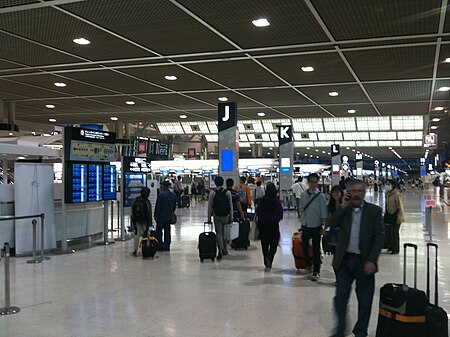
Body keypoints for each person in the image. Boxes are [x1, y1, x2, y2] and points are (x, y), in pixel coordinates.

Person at [329, 179, 385, 337]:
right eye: (353, 191)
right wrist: (342, 206)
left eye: (360, 191)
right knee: (340, 298)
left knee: (365, 301)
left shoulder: (374, 211)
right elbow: (332, 223)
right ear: (348, 193)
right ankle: (340, 330)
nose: (356, 194)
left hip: (364, 262)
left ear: (364, 192)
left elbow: (379, 236)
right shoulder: (344, 210)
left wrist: (372, 260)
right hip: (344, 261)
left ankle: (360, 332)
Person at [298, 173, 328, 281]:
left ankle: (316, 271)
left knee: (316, 249)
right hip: (305, 224)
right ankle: (308, 265)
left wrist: (323, 227)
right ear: (308, 182)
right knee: (304, 247)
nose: (313, 184)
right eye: (311, 182)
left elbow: (324, 213)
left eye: (315, 182)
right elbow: (301, 208)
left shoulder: (321, 196)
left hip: (316, 225)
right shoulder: (303, 195)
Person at [255, 183, 283, 271]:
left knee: (265, 244)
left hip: (263, 226)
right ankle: (270, 258)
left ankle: (266, 261)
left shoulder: (262, 201)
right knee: (274, 244)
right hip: (273, 226)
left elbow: (258, 212)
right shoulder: (276, 202)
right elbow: (280, 214)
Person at [207, 176, 233, 259]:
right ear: (223, 183)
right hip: (226, 215)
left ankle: (220, 250)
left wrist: (208, 218)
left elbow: (210, 206)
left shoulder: (212, 193)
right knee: (225, 233)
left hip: (216, 215)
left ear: (215, 183)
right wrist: (231, 217)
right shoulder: (227, 193)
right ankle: (225, 249)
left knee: (219, 233)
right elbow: (231, 206)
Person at [154, 180, 176, 251]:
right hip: (169, 216)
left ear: (163, 186)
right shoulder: (173, 195)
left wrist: (155, 216)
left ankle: (160, 245)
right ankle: (167, 246)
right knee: (167, 231)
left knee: (159, 231)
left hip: (161, 217)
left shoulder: (161, 195)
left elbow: (158, 207)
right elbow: (174, 207)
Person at [384, 179, 405, 255]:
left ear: (393, 185)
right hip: (389, 215)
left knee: (394, 233)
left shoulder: (396, 194)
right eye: (386, 184)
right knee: (388, 232)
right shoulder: (387, 194)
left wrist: (400, 217)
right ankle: (390, 246)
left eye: (388, 184)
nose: (387, 186)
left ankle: (395, 249)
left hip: (396, 215)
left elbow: (401, 207)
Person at [130, 187, 152, 257]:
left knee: (137, 235)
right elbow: (149, 213)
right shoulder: (147, 202)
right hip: (145, 221)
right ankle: (146, 248)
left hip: (137, 221)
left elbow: (132, 211)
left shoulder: (136, 201)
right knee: (146, 234)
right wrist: (150, 223)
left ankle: (135, 250)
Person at [325, 185, 344, 253]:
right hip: (333, 233)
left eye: (337, 192)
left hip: (344, 233)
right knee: (335, 251)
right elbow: (327, 219)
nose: (335, 194)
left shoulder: (345, 205)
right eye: (333, 192)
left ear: (341, 193)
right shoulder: (329, 206)